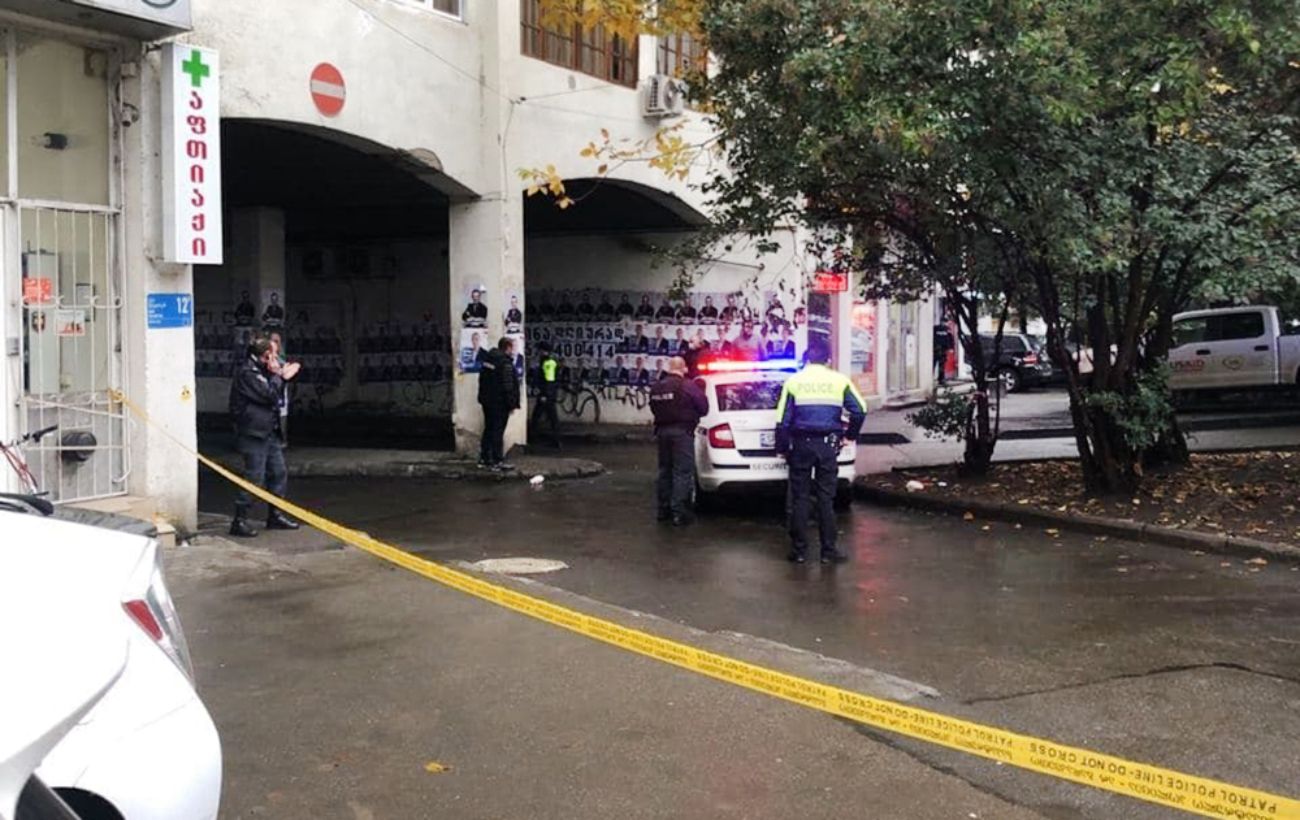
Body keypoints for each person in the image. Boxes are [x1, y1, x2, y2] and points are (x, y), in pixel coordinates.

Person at [775, 344, 866, 564]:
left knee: (800, 497)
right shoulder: (839, 381)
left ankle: (799, 551)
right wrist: (850, 436)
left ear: (806, 360)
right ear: (828, 361)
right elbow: (860, 410)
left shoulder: (794, 381)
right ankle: (828, 551)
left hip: (801, 444)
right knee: (826, 498)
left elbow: (782, 420)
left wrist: (782, 448)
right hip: (827, 445)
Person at [228, 335, 302, 537]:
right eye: (274, 355)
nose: (277, 359)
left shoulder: (264, 371)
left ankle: (275, 515)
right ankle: (240, 519)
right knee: (255, 477)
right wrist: (281, 377)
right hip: (253, 433)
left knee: (278, 473)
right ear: (265, 355)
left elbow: (276, 391)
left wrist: (279, 374)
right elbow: (269, 395)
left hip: (269, 431)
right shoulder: (248, 373)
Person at [650, 356, 708, 526]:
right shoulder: (688, 386)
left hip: (662, 432)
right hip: (682, 433)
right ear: (684, 368)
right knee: (682, 472)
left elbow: (653, 407)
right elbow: (703, 408)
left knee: (664, 471)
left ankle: (663, 510)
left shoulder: (656, 387)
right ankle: (679, 513)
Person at [478, 337, 521, 470]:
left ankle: (485, 458)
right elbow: (508, 386)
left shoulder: (488, 360)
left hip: (487, 401)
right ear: (507, 347)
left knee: (489, 429)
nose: (513, 350)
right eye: (512, 347)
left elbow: (482, 380)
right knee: (497, 431)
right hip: (500, 403)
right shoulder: (505, 363)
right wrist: (512, 404)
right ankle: (497, 461)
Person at [531, 340, 561, 448]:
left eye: (539, 350)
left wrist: (545, 395)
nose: (538, 352)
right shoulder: (547, 360)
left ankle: (554, 440)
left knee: (544, 417)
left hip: (547, 395)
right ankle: (554, 440)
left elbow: (549, 380)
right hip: (548, 394)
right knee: (550, 417)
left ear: (543, 351)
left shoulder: (549, 362)